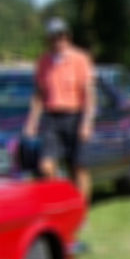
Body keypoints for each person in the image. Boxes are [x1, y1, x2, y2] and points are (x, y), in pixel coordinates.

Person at [23, 17, 95, 202]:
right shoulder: (43, 62)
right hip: (52, 117)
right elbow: (39, 95)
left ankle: (80, 210)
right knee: (46, 166)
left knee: (78, 167)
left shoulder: (80, 59)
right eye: (54, 37)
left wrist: (87, 123)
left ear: (67, 37)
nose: (58, 41)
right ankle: (61, 202)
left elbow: (88, 93)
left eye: (61, 36)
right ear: (48, 39)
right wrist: (32, 122)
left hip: (75, 116)